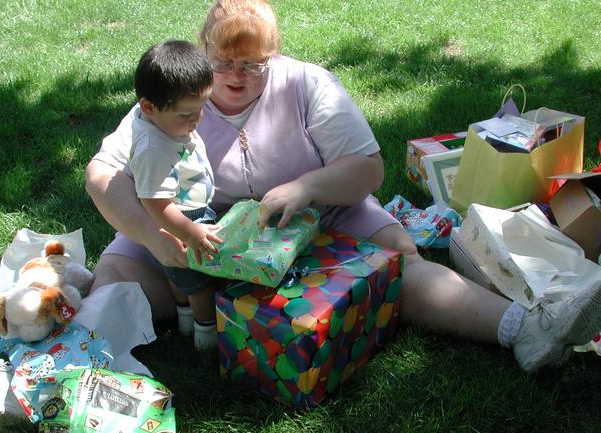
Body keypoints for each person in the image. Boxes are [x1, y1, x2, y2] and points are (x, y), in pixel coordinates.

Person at [85, 0, 601, 373]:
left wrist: (306, 187)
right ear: (203, 51)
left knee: (398, 263)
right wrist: (154, 237)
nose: (234, 77)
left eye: (252, 65)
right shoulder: (176, 93)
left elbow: (368, 169)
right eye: (221, 62)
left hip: (318, 219)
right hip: (194, 229)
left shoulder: (307, 84)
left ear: (274, 55)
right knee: (114, 278)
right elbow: (102, 174)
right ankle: (66, 355)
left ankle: (526, 329)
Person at [127, 39, 221, 349]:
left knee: (178, 273)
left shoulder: (166, 125)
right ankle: (207, 336)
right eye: (185, 114)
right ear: (148, 107)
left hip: (183, 213)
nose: (196, 120)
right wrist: (191, 232)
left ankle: (184, 320)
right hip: (184, 217)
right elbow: (154, 203)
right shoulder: (154, 148)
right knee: (198, 280)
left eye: (201, 109)